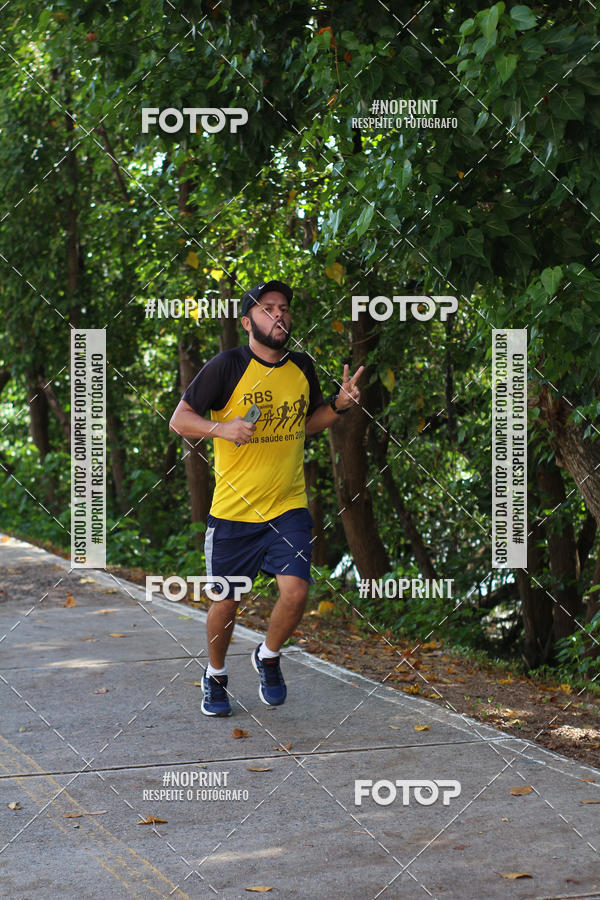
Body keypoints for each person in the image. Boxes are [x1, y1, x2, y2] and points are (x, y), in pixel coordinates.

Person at [169, 280, 363, 716]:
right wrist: (222, 428)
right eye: (267, 308)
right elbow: (179, 420)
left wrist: (340, 405)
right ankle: (216, 675)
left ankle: (269, 656)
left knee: (295, 592)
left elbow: (307, 423)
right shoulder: (226, 366)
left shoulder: (302, 366)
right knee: (227, 602)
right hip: (233, 512)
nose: (279, 314)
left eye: (284, 308)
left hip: (287, 506)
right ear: (247, 322)